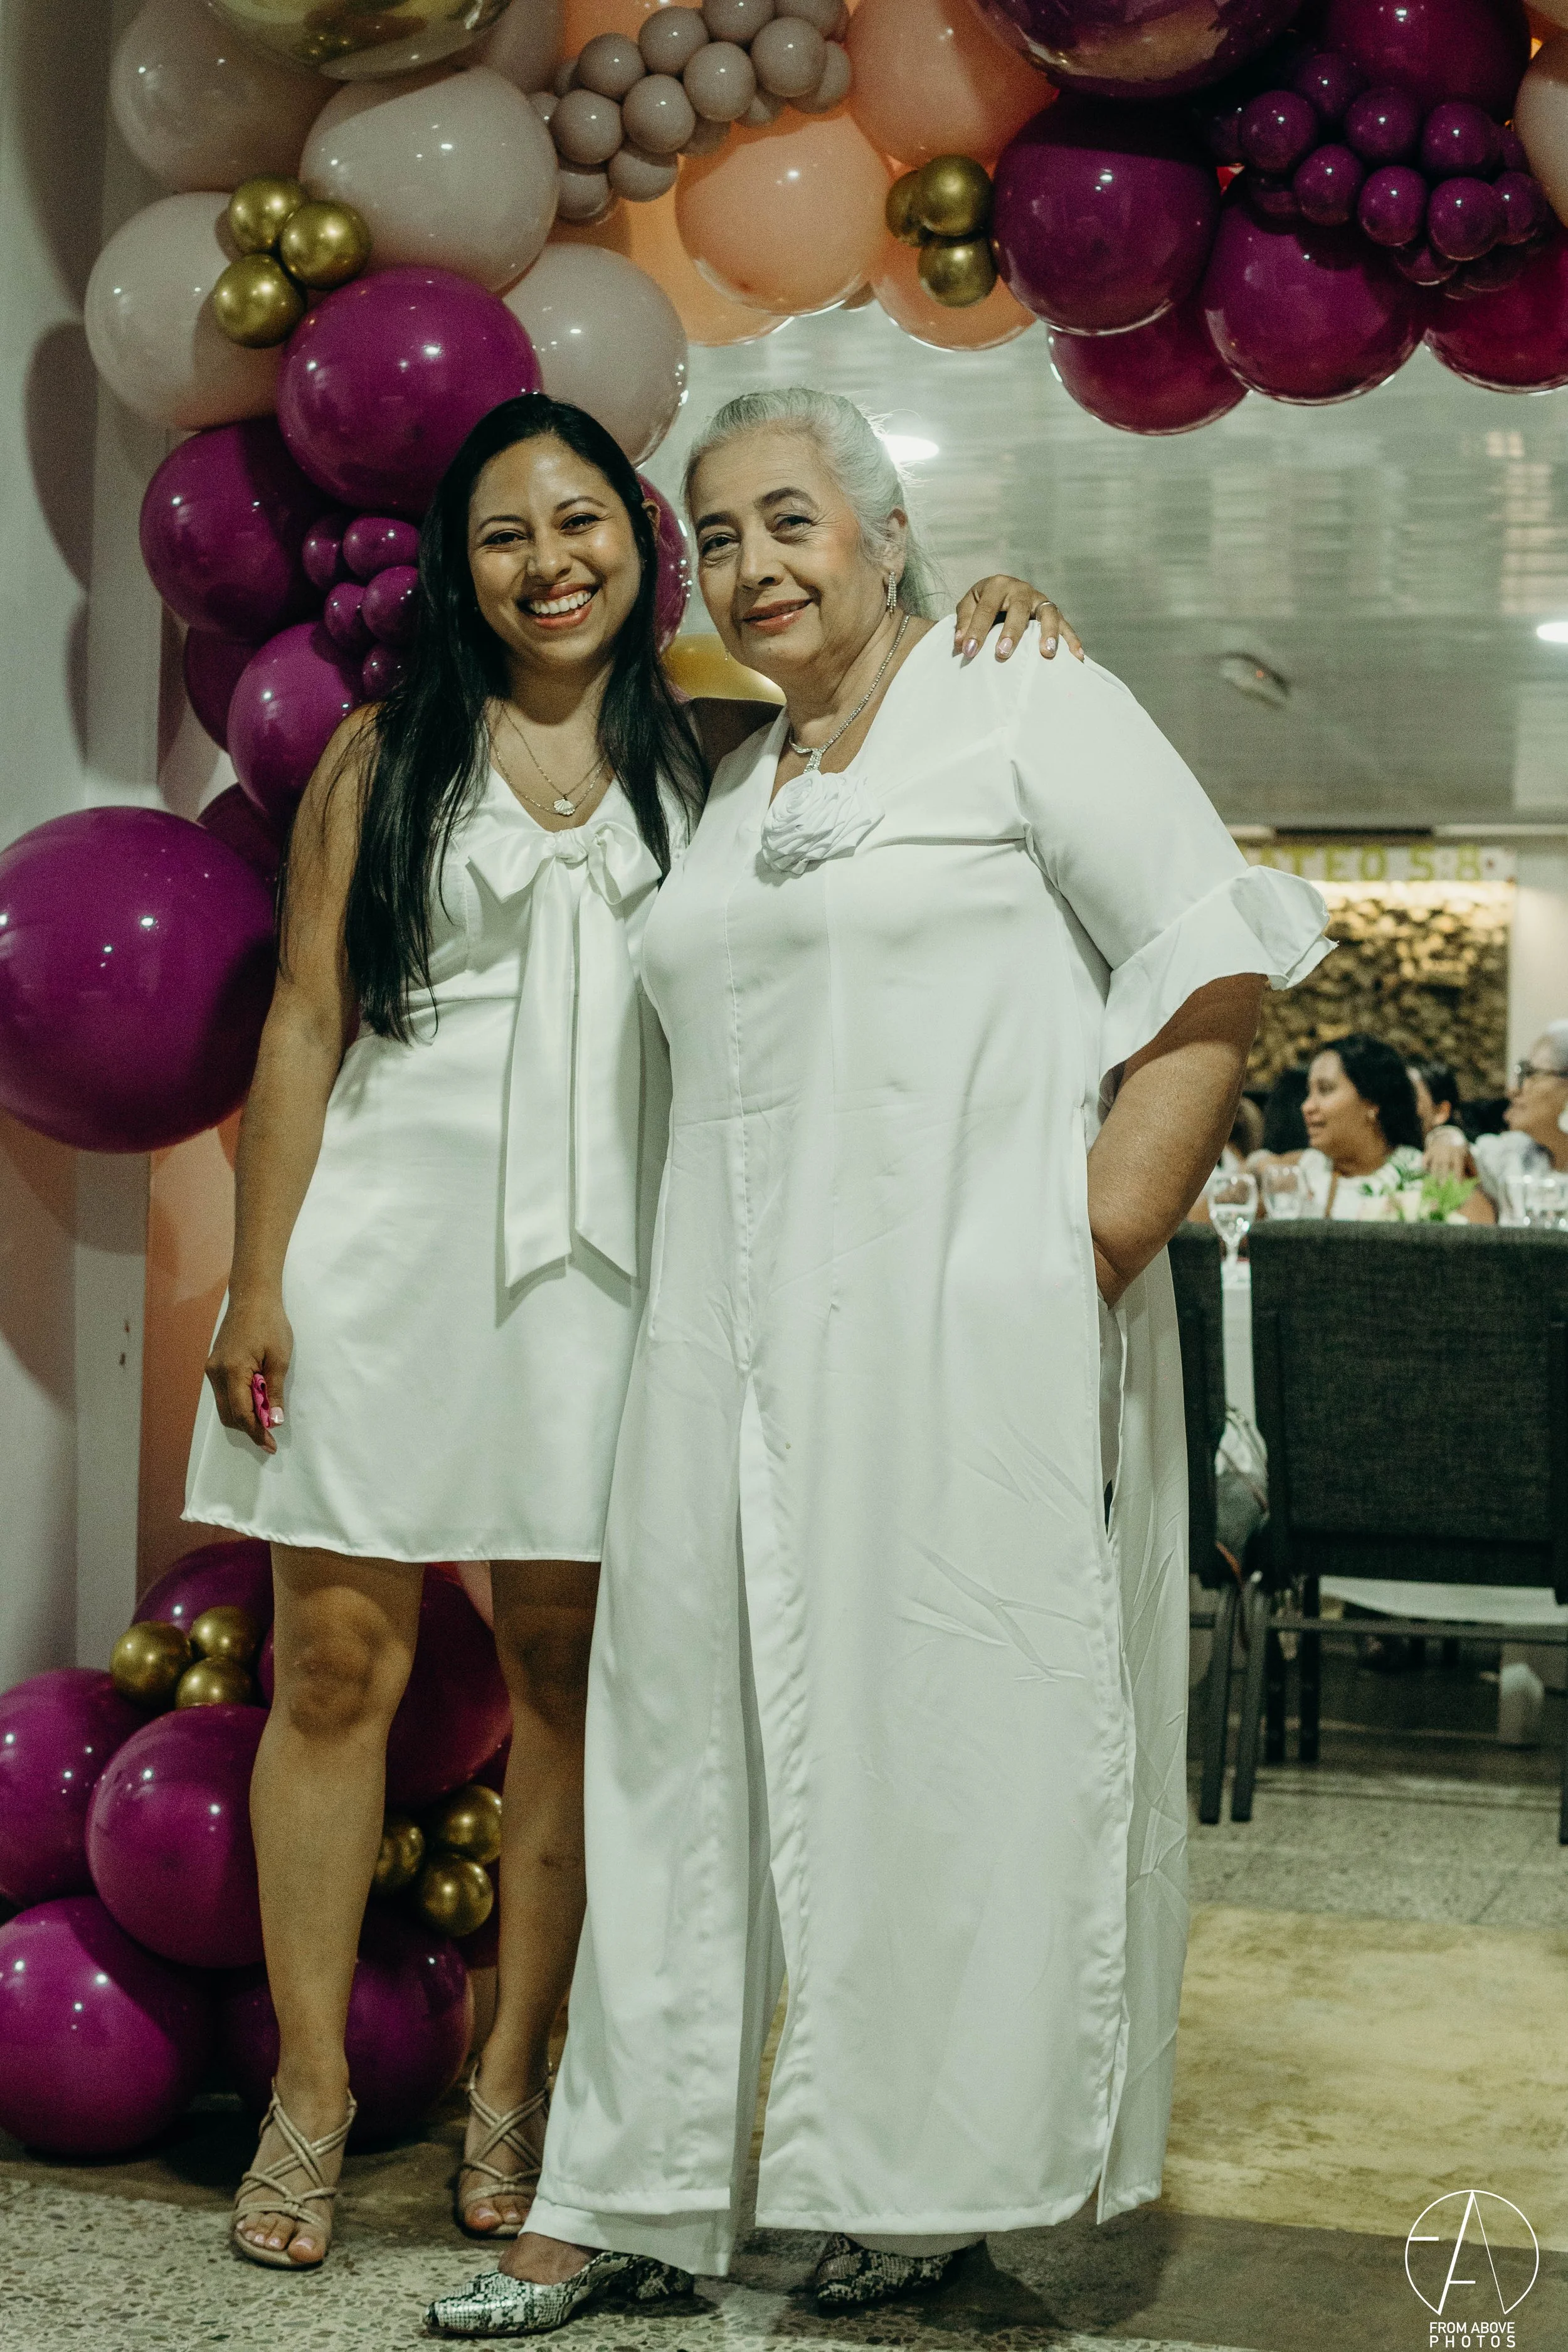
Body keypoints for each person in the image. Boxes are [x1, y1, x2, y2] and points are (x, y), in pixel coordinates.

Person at [426, 386, 1330, 2338]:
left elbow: (1209, 957)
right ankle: (631, 2189)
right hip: (716, 1337)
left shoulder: (1025, 699)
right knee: (676, 1738)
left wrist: (1080, 1242)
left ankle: (916, 2193)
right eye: (720, 534)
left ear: (883, 531)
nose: (755, 564)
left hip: (956, 1326)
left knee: (942, 1734)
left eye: (789, 519)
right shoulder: (733, 785)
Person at [183, 388, 1079, 2272]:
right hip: (383, 1254)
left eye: (578, 519)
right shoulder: (375, 753)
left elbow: (897, 719)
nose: (547, 559)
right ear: (464, 565)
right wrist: (259, 1274)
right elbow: (297, 1028)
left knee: (578, 1684)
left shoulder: (726, 757)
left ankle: (521, 2077)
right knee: (332, 1668)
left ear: (637, 542)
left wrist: (1003, 604)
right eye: (504, 532)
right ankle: (314, 2093)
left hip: (627, 1274)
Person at [1297, 1034, 1491, 1223]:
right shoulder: (1306, 1171)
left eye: (1325, 1089)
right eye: (1309, 1092)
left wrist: (1450, 1138)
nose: (1307, 1106)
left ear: (1371, 1102)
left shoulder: (1421, 1174)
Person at [1425, 1023, 1568, 1221]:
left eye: (1530, 1074)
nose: (1513, 1090)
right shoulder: (1514, 1155)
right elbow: (1469, 1154)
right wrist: (1448, 1137)